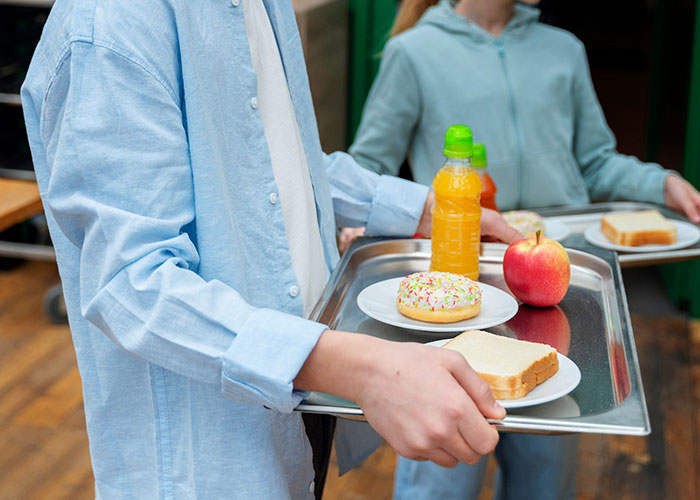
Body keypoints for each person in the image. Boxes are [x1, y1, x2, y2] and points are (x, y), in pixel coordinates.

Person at [20, 1, 525, 499]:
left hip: (301, 392)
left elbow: (272, 160)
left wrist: (421, 209)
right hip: (209, 455)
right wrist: (362, 368)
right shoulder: (112, 23)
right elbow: (132, 284)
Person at [346, 0, 700, 499]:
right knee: (442, 479)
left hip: (555, 298)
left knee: (545, 474)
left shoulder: (564, 50)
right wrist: (354, 223)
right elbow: (370, 170)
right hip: (460, 295)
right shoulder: (413, 52)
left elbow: (596, 161)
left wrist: (661, 185)